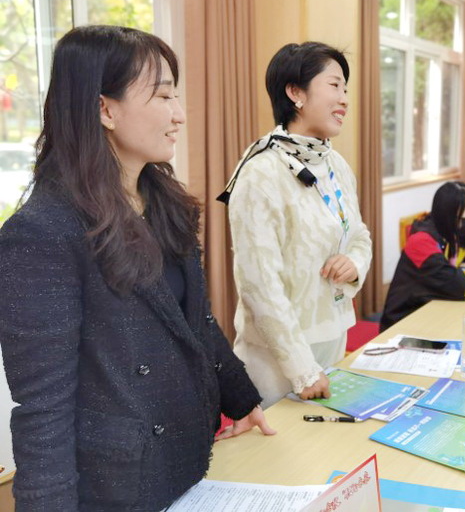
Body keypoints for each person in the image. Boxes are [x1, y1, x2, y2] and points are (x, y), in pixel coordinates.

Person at [0, 25, 274, 512]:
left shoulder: (164, 202)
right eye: (163, 96)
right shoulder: (42, 231)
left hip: (189, 452)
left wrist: (241, 398)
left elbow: (194, 323)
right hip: (118, 483)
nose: (179, 114)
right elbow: (43, 405)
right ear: (105, 110)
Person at [220, 42, 372, 408]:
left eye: (345, 88)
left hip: (334, 333)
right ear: (296, 93)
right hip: (278, 360)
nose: (344, 99)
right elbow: (259, 284)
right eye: (334, 85)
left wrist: (354, 263)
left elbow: (359, 236)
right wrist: (301, 369)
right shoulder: (261, 172)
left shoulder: (336, 164)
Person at [380, 181, 465, 331]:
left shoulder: (459, 234)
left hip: (440, 309)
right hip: (406, 322)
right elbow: (461, 287)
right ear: (450, 212)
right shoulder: (421, 242)